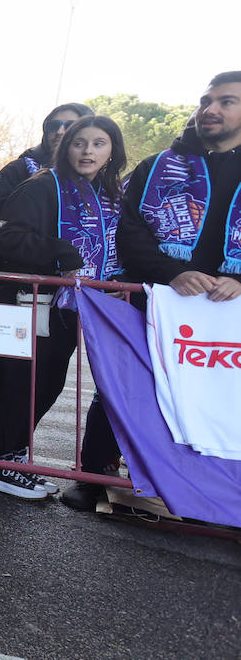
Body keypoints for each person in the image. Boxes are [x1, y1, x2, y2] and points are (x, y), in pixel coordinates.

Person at [62, 72, 241, 509]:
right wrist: (171, 272)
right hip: (162, 299)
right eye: (206, 100)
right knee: (125, 387)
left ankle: (213, 494)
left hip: (230, 311)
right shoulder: (158, 166)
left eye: (227, 102)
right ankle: (93, 475)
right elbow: (130, 229)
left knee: (221, 400)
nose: (211, 109)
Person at [0, 116, 127, 498]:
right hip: (35, 302)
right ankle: (1, 463)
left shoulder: (107, 193)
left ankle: (11, 456)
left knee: (48, 382)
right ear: (65, 147)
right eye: (79, 143)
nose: (88, 151)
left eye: (98, 143)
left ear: (112, 150)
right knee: (26, 382)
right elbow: (5, 237)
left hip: (75, 307)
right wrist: (58, 252)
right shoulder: (43, 185)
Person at [0, 101, 92, 454]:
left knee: (40, 377)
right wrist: (53, 252)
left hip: (58, 299)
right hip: (10, 287)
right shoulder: (24, 171)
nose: (61, 130)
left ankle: (4, 444)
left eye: (70, 126)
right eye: (55, 124)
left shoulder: (89, 181)